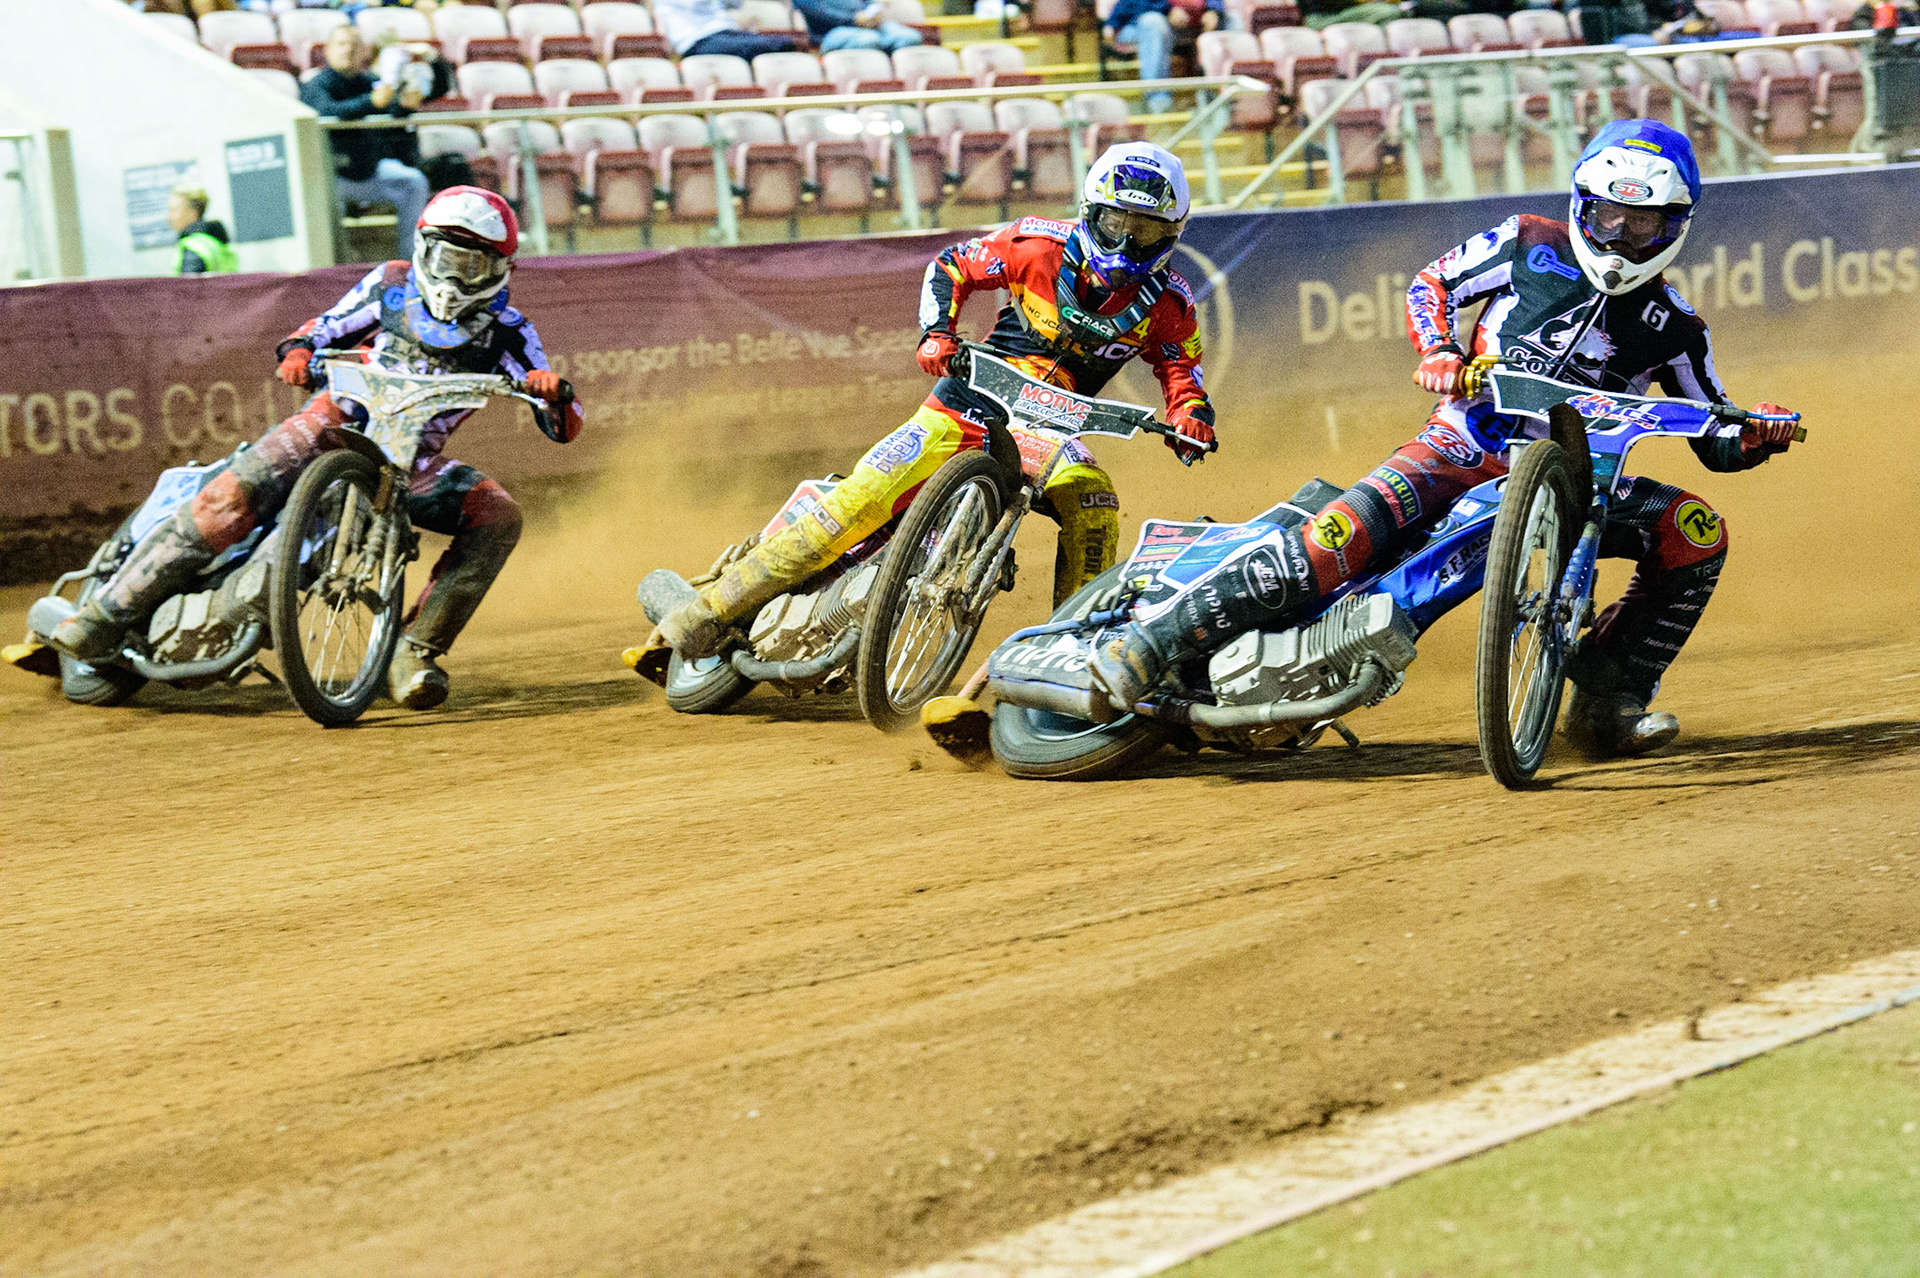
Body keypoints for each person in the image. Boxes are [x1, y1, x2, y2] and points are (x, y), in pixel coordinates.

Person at [1088, 120, 1800, 758]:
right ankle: (1148, 643)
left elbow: (1716, 433)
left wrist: (1757, 430)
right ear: (1583, 205)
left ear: (1675, 227)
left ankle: (1612, 699)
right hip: (1458, 449)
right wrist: (1439, 350)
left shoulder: (1678, 325)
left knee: (1696, 530)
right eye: (1609, 215)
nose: (1619, 236)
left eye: (1642, 225)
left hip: (1587, 484)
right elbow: (1433, 283)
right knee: (1334, 543)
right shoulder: (1528, 240)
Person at [649, 142, 1217, 663]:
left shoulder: (1170, 302)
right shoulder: (1034, 243)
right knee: (858, 502)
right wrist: (937, 333)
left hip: (1051, 431)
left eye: (1144, 230)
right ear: (1089, 212)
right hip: (967, 403)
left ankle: (1069, 655)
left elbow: (1182, 370)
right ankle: (704, 614)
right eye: (1116, 223)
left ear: (1172, 233)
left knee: (1094, 505)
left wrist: (1188, 415)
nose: (1125, 242)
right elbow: (951, 266)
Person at [47, 188, 583, 711]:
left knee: (499, 515)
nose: (454, 277)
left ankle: (413, 650)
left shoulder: (510, 332)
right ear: (424, 249)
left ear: (500, 269)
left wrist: (551, 391)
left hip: (413, 461)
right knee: (229, 497)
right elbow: (323, 328)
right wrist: (300, 350)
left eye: (472, 265)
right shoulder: (391, 284)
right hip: (335, 422)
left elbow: (564, 425)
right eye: (446, 258)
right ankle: (106, 615)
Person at [302, 24, 433, 259]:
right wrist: (371, 101)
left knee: (414, 182)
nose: (348, 51)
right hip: (332, 178)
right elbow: (327, 111)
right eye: (341, 45)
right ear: (328, 50)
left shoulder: (369, 81)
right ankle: (333, 266)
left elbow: (390, 110)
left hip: (371, 172)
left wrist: (404, 106)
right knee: (326, 202)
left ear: (364, 52)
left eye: (354, 46)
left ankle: (410, 260)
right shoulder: (316, 85)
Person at [1103, 0, 1221, 113]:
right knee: (1153, 22)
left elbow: (1214, 4)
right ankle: (1158, 102)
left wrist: (1214, 10)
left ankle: (1226, 95)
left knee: (1233, 19)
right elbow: (1131, 7)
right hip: (1138, 25)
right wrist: (1169, 9)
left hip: (1192, 24)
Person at [652, 0, 802, 60]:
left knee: (785, 43)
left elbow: (736, 3)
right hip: (699, 41)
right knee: (773, 45)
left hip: (726, 33)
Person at [792, 0, 923, 54]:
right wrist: (854, 20)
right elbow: (819, 13)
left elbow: (870, 3)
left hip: (869, 26)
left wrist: (873, 13)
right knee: (869, 40)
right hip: (830, 33)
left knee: (909, 37)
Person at [168, 187, 238, 275]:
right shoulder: (217, 242)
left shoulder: (193, 247)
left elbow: (189, 286)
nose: (169, 218)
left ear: (192, 213)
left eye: (173, 210)